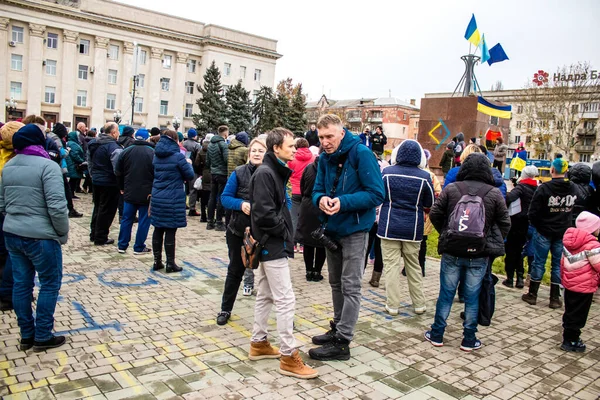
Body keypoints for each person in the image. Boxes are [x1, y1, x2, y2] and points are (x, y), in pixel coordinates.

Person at [308, 114, 384, 361]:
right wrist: (321, 200)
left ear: (342, 132)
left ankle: (343, 342)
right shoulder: (324, 159)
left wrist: (343, 202)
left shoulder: (361, 153)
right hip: (331, 228)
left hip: (355, 230)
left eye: (329, 136)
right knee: (335, 283)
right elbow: (316, 190)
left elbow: (376, 194)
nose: (325, 141)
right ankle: (338, 328)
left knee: (351, 285)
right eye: (321, 137)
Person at [247, 127, 318, 379]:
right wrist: (285, 231)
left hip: (270, 242)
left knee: (265, 295)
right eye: (290, 146)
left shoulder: (272, 171)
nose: (294, 150)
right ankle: (289, 356)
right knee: (285, 299)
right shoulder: (267, 173)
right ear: (276, 148)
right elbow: (264, 214)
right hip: (271, 244)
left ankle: (259, 343)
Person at [426, 153, 510, 351]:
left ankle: (437, 334)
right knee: (472, 297)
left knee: (446, 294)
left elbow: (436, 214)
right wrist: (488, 239)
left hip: (452, 251)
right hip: (479, 253)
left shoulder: (452, 188)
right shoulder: (494, 192)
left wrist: (446, 234)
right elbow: (505, 222)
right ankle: (469, 339)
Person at [0, 124, 69, 351]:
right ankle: (42, 335)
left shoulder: (8, 167)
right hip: (41, 237)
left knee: (21, 284)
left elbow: (2, 203)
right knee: (49, 284)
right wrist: (61, 233)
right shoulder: (48, 167)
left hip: (13, 233)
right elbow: (57, 207)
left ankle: (26, 335)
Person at [378, 140, 434, 316]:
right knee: (413, 266)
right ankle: (419, 304)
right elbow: (430, 202)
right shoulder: (424, 176)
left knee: (391, 267)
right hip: (413, 228)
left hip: (389, 226)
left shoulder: (387, 173)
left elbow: (379, 195)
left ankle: (392, 305)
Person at [216, 138, 267, 325]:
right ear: (248, 154)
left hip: (264, 233)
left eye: (260, 151)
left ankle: (284, 316)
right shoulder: (239, 173)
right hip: (238, 231)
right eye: (253, 150)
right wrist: (241, 204)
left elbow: (283, 202)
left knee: (271, 275)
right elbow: (225, 198)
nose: (256, 153)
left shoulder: (272, 175)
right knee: (235, 270)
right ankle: (225, 309)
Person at [523, 158, 577, 308]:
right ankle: (554, 298)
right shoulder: (572, 188)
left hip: (544, 230)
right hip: (562, 231)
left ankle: (533, 294)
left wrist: (537, 225)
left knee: (539, 262)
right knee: (557, 264)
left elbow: (532, 212)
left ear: (552, 170)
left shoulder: (545, 188)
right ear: (566, 171)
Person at [150, 131, 194, 273]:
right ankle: (170, 263)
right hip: (173, 198)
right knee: (170, 230)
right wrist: (188, 163)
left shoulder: (156, 155)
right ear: (175, 140)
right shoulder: (178, 157)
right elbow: (189, 175)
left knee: (158, 228)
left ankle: (157, 261)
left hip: (157, 196)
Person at [560, 211, 600, 352]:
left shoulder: (568, 241)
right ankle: (572, 340)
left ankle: (567, 336)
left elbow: (562, 262)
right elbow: (598, 265)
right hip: (584, 286)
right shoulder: (592, 245)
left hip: (569, 284)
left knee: (570, 311)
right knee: (579, 314)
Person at [115, 128, 154, 255]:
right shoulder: (152, 152)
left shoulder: (126, 151)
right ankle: (138, 246)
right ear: (147, 138)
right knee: (144, 220)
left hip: (129, 191)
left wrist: (121, 187)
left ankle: (122, 245)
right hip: (146, 193)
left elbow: (118, 172)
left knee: (127, 218)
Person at [0, 121, 23, 312]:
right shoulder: (13, 161)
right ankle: (8, 294)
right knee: (11, 255)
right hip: (11, 214)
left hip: (7, 212)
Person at [88, 122, 123, 245]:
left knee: (98, 207)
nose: (119, 133)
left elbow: (89, 162)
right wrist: (121, 183)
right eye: (118, 130)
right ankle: (101, 236)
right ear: (113, 132)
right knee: (107, 210)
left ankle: (94, 233)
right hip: (109, 182)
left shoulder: (93, 143)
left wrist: (93, 175)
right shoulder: (113, 147)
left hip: (97, 179)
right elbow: (117, 168)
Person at [503, 166, 538, 289]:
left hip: (517, 223)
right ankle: (520, 278)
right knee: (522, 252)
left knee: (512, 251)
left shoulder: (521, 188)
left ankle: (510, 278)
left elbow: (508, 199)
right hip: (531, 224)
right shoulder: (537, 188)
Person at [296, 148, 326, 282]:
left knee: (308, 241)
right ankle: (317, 271)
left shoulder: (309, 168)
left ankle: (308, 271)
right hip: (323, 206)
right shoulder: (330, 169)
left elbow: (302, 187)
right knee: (321, 242)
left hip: (307, 206)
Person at [288, 138, 315, 254]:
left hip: (294, 190)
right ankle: (303, 244)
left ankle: (293, 244)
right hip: (308, 191)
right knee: (304, 219)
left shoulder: (292, 158)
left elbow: (288, 172)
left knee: (294, 218)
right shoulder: (313, 158)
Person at [206, 125, 229, 231]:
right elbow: (226, 160)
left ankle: (209, 222)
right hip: (222, 174)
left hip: (213, 173)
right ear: (225, 133)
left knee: (212, 197)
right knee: (220, 197)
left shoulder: (210, 144)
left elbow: (207, 161)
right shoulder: (223, 144)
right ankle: (219, 222)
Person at [183, 129, 202, 216]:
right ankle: (192, 208)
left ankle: (182, 205)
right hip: (193, 169)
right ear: (195, 136)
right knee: (193, 190)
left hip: (182, 168)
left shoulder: (183, 143)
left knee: (183, 188)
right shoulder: (196, 145)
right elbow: (198, 160)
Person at [193, 137, 212, 222]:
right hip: (212, 173)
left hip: (204, 174)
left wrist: (200, 172)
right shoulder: (213, 151)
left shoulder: (200, 151)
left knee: (203, 196)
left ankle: (203, 216)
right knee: (211, 195)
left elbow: (196, 164)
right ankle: (210, 216)